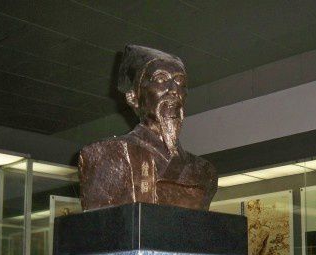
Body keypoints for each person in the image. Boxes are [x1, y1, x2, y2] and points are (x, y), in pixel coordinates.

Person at [79, 45, 217, 211]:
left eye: (180, 81)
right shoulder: (107, 154)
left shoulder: (204, 171)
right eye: (161, 79)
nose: (174, 90)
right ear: (133, 98)